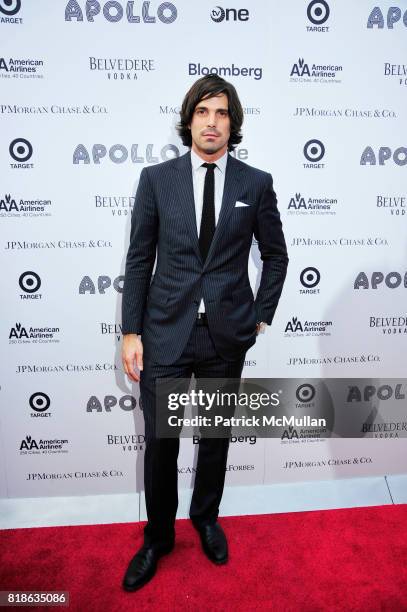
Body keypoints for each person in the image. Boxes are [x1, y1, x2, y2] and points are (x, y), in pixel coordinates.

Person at [121, 74, 288, 591]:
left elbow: (276, 257)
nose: (211, 122)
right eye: (202, 112)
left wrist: (259, 314)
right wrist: (131, 331)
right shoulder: (157, 179)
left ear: (232, 123)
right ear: (189, 119)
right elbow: (139, 257)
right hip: (165, 333)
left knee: (215, 437)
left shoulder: (254, 183)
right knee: (161, 443)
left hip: (225, 336)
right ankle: (158, 537)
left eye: (221, 113)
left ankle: (206, 518)